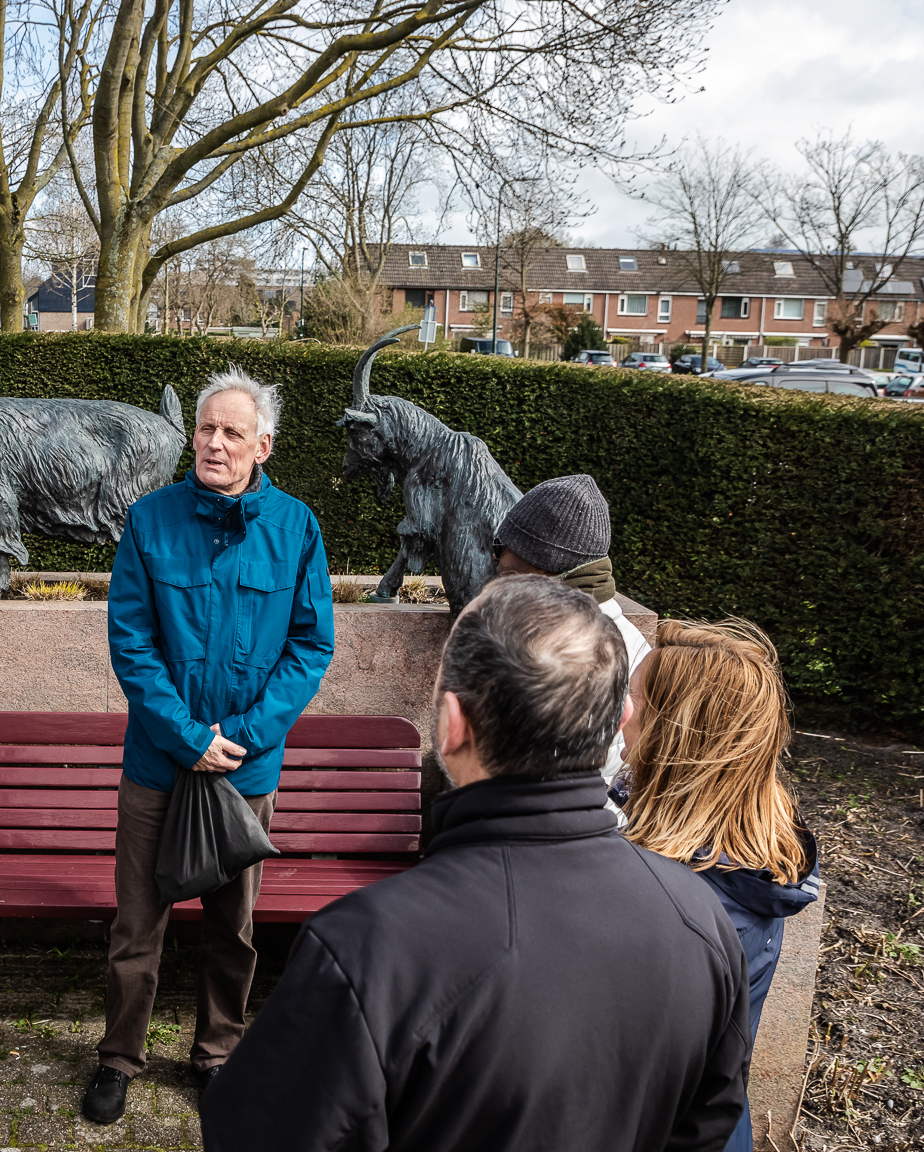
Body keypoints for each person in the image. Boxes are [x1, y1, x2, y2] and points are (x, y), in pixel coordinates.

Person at [201, 576, 750, 1152]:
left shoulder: (368, 947)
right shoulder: (700, 919)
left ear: (452, 722)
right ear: (618, 721)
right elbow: (709, 1125)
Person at [84, 366, 337, 1123]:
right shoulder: (151, 519)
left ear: (264, 444)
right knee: (137, 925)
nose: (214, 443)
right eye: (206, 429)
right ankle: (119, 1057)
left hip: (245, 773)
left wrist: (246, 736)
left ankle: (218, 1053)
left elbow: (310, 645)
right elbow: (131, 641)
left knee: (233, 927)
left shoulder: (296, 528)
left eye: (232, 432)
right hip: (159, 763)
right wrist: (188, 736)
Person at [619, 619, 822, 1152]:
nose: (620, 716)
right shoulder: (750, 861)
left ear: (674, 738)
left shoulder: (674, 908)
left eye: (634, 700)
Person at [492, 473, 651, 783]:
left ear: (537, 563)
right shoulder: (628, 639)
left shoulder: (564, 651)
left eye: (500, 546)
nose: (496, 560)